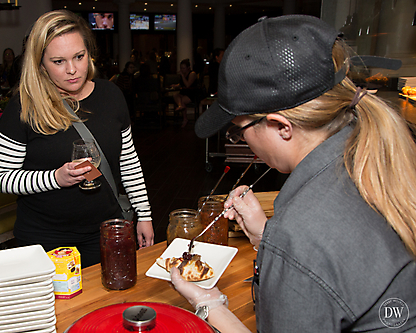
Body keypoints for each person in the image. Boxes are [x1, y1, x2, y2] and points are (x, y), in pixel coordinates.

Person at [172, 15, 416, 332]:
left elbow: (310, 248)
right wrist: (266, 236)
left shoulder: (298, 237)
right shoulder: (374, 153)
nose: (241, 141)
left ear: (281, 127)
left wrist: (208, 303)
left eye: (238, 131)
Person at [0, 10, 154, 268]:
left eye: (79, 56)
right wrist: (55, 178)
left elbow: (128, 161)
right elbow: (0, 179)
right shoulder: (23, 107)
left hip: (104, 231)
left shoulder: (111, 95)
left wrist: (144, 215)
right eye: (58, 61)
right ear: (40, 63)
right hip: (45, 239)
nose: (72, 70)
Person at [172, 59, 200, 127]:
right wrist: (175, 86)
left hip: (191, 93)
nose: (182, 70)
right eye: (181, 68)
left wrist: (182, 76)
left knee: (183, 100)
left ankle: (185, 119)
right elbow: (181, 84)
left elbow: (187, 85)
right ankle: (180, 106)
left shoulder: (192, 74)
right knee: (175, 95)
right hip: (184, 92)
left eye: (183, 68)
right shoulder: (183, 75)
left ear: (188, 68)